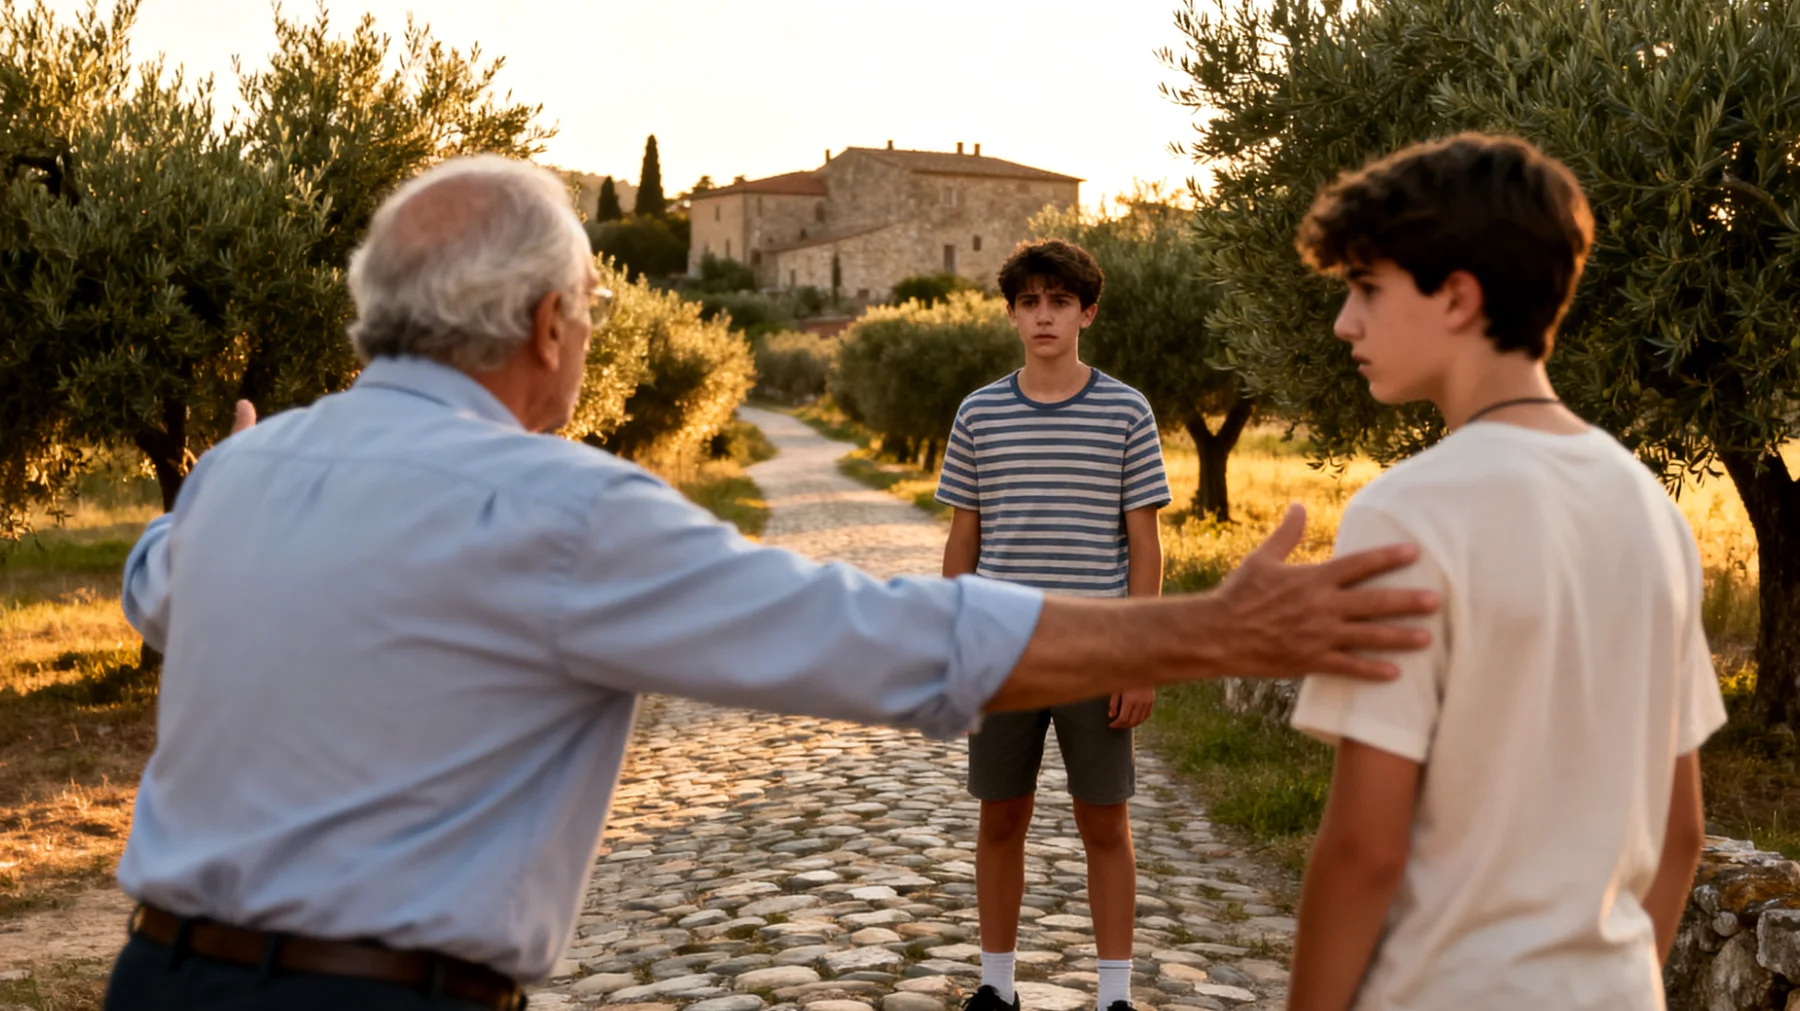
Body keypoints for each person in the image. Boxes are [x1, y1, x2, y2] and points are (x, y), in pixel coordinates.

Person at [104, 155, 1438, 1011]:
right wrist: (1209, 627)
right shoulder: (566, 507)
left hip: (149, 974)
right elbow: (866, 633)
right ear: (549, 325)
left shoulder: (242, 475)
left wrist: (229, 480)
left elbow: (155, 586)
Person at [1282, 133, 1727, 1011]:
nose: (1345, 323)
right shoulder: (1654, 512)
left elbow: (1366, 848)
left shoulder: (1404, 515)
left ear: (1457, 296)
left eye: (1368, 288)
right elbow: (1682, 833)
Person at [935, 239, 1167, 1011]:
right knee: (1001, 817)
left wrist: (1141, 658)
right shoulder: (979, 412)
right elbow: (963, 539)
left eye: (1059, 301)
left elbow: (1145, 544)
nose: (1044, 315)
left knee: (1106, 823)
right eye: (1029, 302)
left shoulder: (1126, 410)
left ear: (1086, 312)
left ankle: (1114, 999)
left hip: (1096, 651)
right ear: (1011, 313)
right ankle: (996, 989)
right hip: (1001, 651)